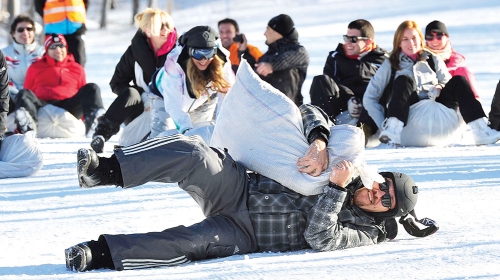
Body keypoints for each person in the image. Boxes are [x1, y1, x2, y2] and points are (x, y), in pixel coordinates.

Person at [65, 103, 437, 272]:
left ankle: (98, 254)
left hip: (245, 232)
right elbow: (307, 110)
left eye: (386, 200)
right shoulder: (349, 163)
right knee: (195, 151)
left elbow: (321, 238)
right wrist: (320, 142)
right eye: (383, 185)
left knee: (186, 243)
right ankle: (105, 170)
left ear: (388, 212)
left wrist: (336, 190)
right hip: (239, 187)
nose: (378, 194)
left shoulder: (366, 232)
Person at [363, 20, 500, 146]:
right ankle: (392, 128)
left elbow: (447, 82)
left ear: (420, 40)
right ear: (398, 42)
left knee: (459, 80)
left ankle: (481, 130)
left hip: (439, 115)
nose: (411, 43)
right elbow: (370, 97)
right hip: (408, 122)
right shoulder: (391, 64)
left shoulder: (433, 59)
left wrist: (440, 86)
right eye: (405, 39)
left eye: (414, 38)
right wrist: (382, 124)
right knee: (404, 80)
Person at [90, 8, 177, 153]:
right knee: (131, 92)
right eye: (161, 26)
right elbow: (117, 82)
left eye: (168, 25)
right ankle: (101, 135)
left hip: (172, 108)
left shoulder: (178, 51)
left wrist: (158, 101)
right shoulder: (135, 50)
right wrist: (144, 98)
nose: (166, 29)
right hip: (141, 109)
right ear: (148, 30)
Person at [147, 25, 234, 139]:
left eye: (208, 53)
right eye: (197, 53)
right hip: (164, 96)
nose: (203, 59)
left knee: (201, 138)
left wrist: (224, 124)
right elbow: (173, 104)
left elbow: (228, 95)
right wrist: (185, 128)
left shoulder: (222, 62)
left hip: (201, 99)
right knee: (161, 138)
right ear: (189, 52)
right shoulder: (174, 63)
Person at [13, 34, 104, 136]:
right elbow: (28, 90)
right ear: (47, 50)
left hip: (69, 108)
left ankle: (95, 124)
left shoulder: (77, 68)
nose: (58, 49)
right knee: (24, 94)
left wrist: (81, 120)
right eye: (53, 47)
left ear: (66, 48)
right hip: (42, 106)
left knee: (92, 88)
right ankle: (27, 127)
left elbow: (83, 94)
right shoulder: (35, 68)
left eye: (61, 46)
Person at [309, 19, 388, 135]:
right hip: (343, 106)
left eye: (353, 39)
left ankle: (365, 131)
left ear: (368, 42)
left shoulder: (383, 60)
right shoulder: (335, 57)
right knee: (320, 81)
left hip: (369, 110)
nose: (348, 43)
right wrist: (349, 99)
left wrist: (360, 101)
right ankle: (323, 131)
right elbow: (331, 82)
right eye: (346, 38)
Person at [255, 14, 309, 106]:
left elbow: (294, 57)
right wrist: (243, 51)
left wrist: (272, 66)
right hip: (263, 108)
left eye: (268, 29)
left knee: (286, 70)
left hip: (289, 109)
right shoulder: (269, 55)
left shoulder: (298, 51)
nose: (265, 33)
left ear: (277, 33)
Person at [2, 15, 45, 115]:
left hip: (37, 98)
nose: (25, 33)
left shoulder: (43, 53)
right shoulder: (4, 54)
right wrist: (15, 93)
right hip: (11, 99)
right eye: (20, 30)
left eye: (29, 29)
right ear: (13, 33)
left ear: (34, 32)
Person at [424, 20, 479, 99]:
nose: (435, 40)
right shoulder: (421, 60)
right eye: (430, 36)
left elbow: (474, 96)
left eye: (439, 35)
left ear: (447, 37)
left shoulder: (457, 65)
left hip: (451, 105)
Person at [35, 0, 88, 66]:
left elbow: (85, 3)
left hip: (76, 27)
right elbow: (38, 6)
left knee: (78, 60)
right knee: (53, 62)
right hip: (53, 29)